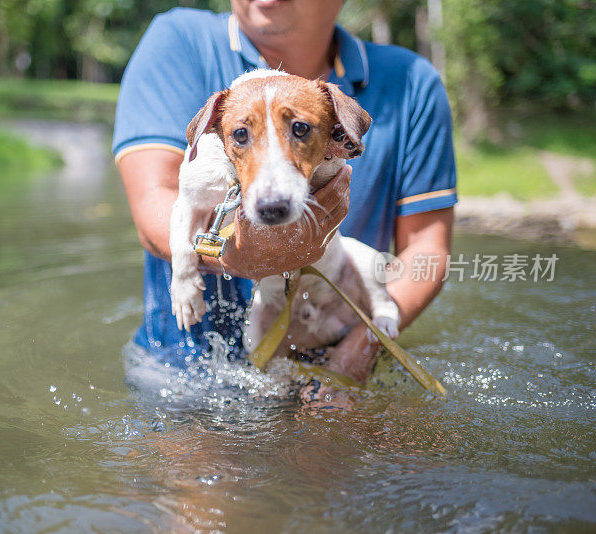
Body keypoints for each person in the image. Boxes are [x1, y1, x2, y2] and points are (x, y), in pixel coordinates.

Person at [113, 0, 456, 382]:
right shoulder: (179, 41)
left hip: (342, 349)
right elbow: (155, 203)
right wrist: (235, 256)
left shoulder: (411, 82)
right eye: (241, 135)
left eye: (301, 129)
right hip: (183, 372)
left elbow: (427, 248)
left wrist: (356, 354)